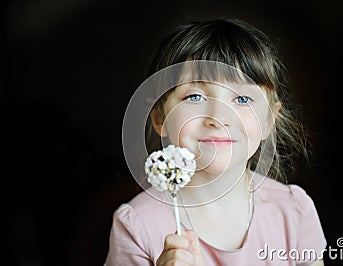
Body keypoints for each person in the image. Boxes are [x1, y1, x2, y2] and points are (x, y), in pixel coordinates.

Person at [105, 18, 327, 265]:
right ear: (159, 117)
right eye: (194, 96)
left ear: (268, 119)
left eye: (242, 99)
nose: (218, 118)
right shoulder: (136, 225)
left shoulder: (293, 212)